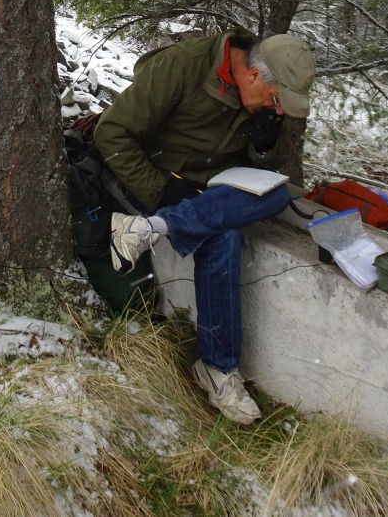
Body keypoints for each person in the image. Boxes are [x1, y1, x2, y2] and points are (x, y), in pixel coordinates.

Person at [92, 28, 316, 424]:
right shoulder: (182, 66)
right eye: (276, 100)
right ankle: (217, 367)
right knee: (223, 234)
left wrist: (264, 145)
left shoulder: (262, 96)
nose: (279, 111)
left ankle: (151, 229)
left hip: (206, 190)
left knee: (279, 194)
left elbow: (262, 163)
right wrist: (159, 190)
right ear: (253, 75)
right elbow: (110, 132)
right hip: (153, 177)